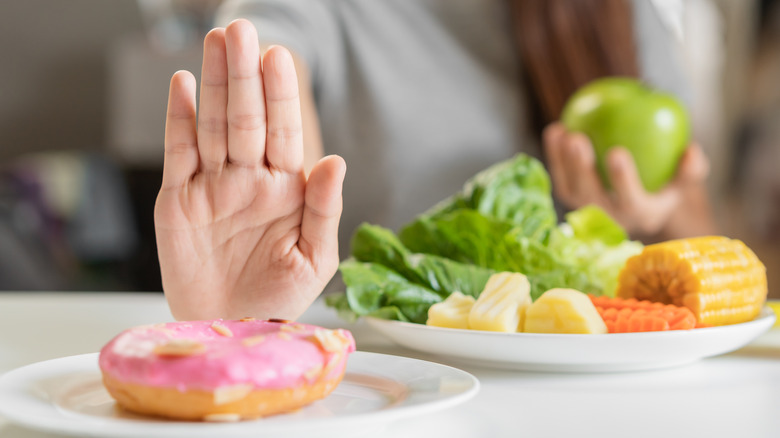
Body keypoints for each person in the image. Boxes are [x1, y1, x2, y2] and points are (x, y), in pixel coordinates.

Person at [156, 1, 718, 321]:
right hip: (397, 376)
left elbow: (696, 223)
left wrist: (651, 214)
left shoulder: (618, 13)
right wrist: (251, 296)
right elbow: (271, 57)